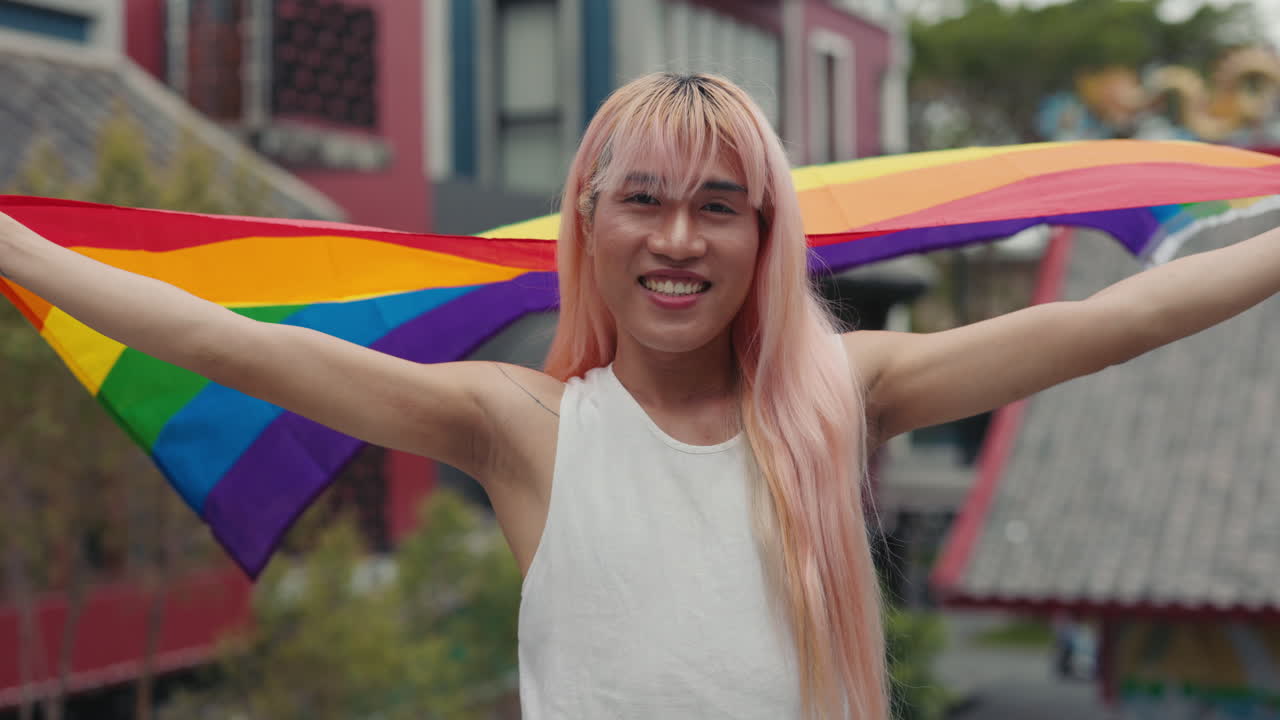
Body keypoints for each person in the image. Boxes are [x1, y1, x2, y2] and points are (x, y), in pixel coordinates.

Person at [1, 72, 1278, 719]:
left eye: (718, 208)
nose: (679, 240)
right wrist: (22, 252)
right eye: (644, 203)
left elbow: (1119, 318)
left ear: (765, 235)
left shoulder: (845, 389)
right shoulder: (519, 427)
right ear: (588, 226)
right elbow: (232, 344)